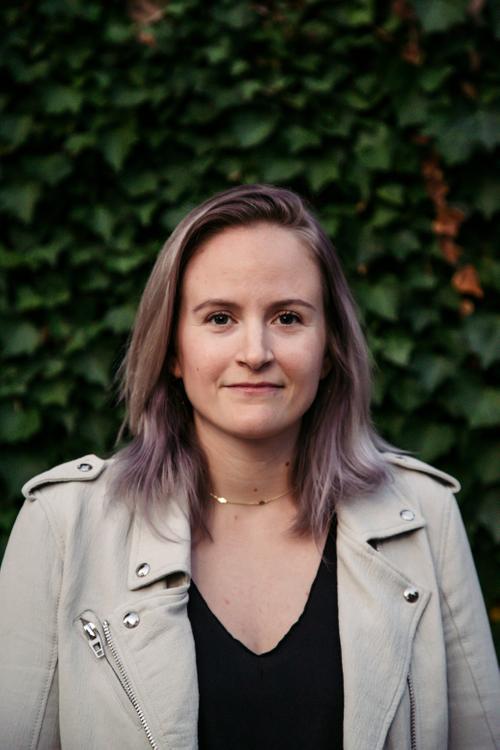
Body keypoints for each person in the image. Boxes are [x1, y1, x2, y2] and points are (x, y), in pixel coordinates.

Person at [0, 184, 498, 750]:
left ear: (329, 346)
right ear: (172, 349)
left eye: (287, 317)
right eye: (219, 318)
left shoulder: (422, 517)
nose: (255, 351)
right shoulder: (65, 526)